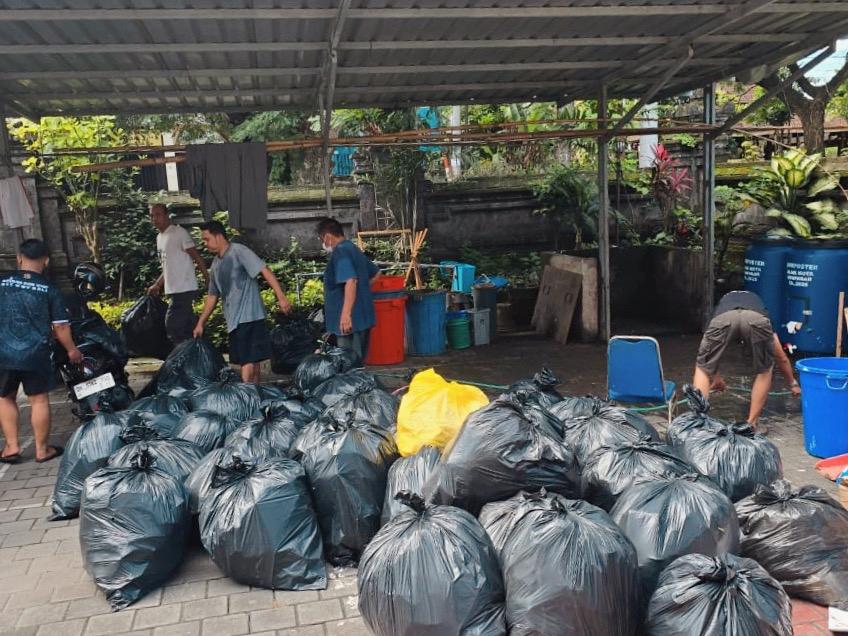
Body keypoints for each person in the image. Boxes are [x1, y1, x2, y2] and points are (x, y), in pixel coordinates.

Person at [0, 239, 83, 464]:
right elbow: (61, 327)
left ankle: (11, 447)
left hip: (4, 352)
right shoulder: (49, 289)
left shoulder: (2, 282)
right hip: (36, 353)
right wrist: (72, 350)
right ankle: (41, 450)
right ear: (46, 261)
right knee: (38, 399)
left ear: (19, 257)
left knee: (5, 397)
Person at [193, 221, 292, 383]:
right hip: (234, 320)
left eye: (206, 239)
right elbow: (212, 296)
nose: (205, 244)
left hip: (250, 315)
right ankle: (254, 394)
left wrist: (281, 297)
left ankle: (246, 396)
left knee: (248, 361)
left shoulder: (239, 251)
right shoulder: (216, 264)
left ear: (218, 236)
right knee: (251, 360)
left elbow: (264, 270)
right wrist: (201, 322)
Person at [693, 290, 800, 432]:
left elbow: (708, 356)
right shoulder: (760, 307)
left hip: (723, 318)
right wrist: (792, 383)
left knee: (703, 367)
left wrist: (715, 376)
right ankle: (751, 424)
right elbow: (781, 357)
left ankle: (699, 424)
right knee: (765, 370)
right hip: (756, 319)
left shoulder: (720, 307)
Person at [317, 217, 381, 361]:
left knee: (348, 367)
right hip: (361, 318)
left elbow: (351, 280)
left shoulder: (340, 252)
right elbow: (376, 273)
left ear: (328, 237)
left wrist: (346, 314)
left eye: (322, 239)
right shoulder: (352, 248)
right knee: (357, 363)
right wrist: (360, 291)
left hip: (349, 323)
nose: (323, 244)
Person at [147, 203, 209, 345]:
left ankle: (182, 356)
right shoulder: (159, 238)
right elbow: (167, 266)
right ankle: (198, 354)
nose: (154, 219)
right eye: (152, 216)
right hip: (174, 289)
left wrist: (207, 277)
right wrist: (157, 284)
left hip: (184, 288)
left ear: (167, 215)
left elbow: (196, 256)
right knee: (188, 327)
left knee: (173, 326)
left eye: (158, 215)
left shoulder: (178, 233)